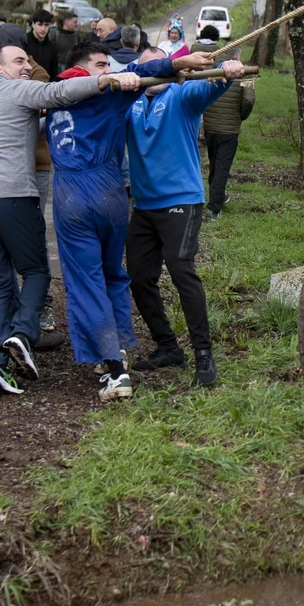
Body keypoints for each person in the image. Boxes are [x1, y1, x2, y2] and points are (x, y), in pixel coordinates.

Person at [0, 42, 136, 396]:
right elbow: (58, 91)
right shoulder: (16, 89)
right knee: (37, 271)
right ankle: (23, 333)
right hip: (9, 197)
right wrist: (105, 81)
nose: (27, 66)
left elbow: (48, 119)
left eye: (28, 60)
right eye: (19, 61)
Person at [47, 41, 214, 402]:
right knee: (123, 275)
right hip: (116, 197)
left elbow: (152, 77)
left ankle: (114, 363)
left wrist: (211, 74)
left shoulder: (52, 94)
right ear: (81, 67)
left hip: (81, 193)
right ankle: (128, 345)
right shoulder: (109, 94)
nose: (107, 71)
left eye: (109, 64)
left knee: (88, 280)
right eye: (100, 64)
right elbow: (136, 75)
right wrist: (172, 63)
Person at [125, 47, 246, 387]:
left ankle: (204, 358)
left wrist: (226, 69)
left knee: (181, 271)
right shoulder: (130, 102)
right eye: (148, 63)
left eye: (158, 61)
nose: (152, 69)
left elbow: (213, 83)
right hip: (144, 204)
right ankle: (168, 347)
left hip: (181, 200)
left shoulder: (182, 94)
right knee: (138, 276)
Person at [201, 59, 255, 218]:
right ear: (237, 55)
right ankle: (214, 208)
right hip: (229, 129)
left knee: (214, 163)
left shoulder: (211, 72)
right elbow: (248, 100)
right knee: (222, 167)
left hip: (210, 127)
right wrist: (241, 116)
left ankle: (219, 196)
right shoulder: (245, 74)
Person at [27, 8, 60, 76]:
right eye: (40, 24)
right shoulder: (24, 42)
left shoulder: (52, 47)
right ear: (33, 24)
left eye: (46, 25)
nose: (43, 29)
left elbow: (53, 72)